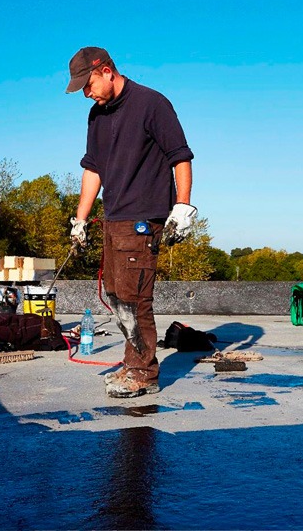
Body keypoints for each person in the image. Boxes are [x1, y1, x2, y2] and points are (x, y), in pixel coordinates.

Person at [66, 46, 196, 398]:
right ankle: (132, 362)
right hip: (113, 219)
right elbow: (92, 168)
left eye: (88, 84)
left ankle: (144, 373)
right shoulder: (97, 116)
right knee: (116, 295)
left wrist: (182, 206)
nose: (86, 94)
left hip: (143, 218)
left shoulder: (152, 103)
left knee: (135, 298)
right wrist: (80, 220)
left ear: (106, 70)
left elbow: (180, 156)